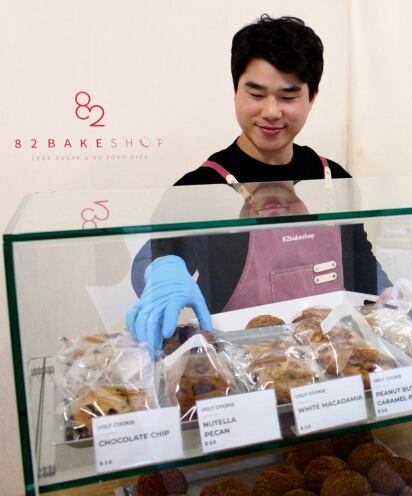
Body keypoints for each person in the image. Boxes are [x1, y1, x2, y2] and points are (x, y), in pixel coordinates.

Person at [126, 15, 390, 353]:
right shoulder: (200, 186)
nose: (271, 111)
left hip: (333, 365)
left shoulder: (333, 178)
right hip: (241, 371)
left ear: (313, 96)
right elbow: (155, 257)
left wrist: (391, 300)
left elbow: (362, 267)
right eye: (256, 93)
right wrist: (162, 271)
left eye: (288, 96)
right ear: (235, 90)